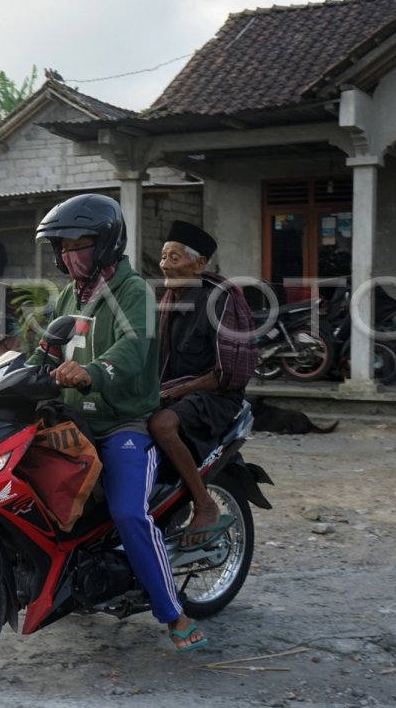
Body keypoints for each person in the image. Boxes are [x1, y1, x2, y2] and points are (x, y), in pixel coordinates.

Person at [28, 193, 208, 653]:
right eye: (63, 247)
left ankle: (174, 613)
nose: (70, 255)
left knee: (129, 512)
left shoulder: (133, 291)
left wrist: (95, 371)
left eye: (79, 244)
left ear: (106, 244)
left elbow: (132, 348)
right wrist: (13, 369)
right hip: (74, 421)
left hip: (123, 425)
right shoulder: (71, 294)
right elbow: (46, 350)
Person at [149, 220, 256, 550]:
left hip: (215, 396)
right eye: (164, 256)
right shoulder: (165, 301)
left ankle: (204, 503)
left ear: (199, 264)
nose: (165, 263)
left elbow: (227, 374)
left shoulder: (221, 302)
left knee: (162, 425)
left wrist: (171, 391)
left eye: (175, 257)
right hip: (173, 393)